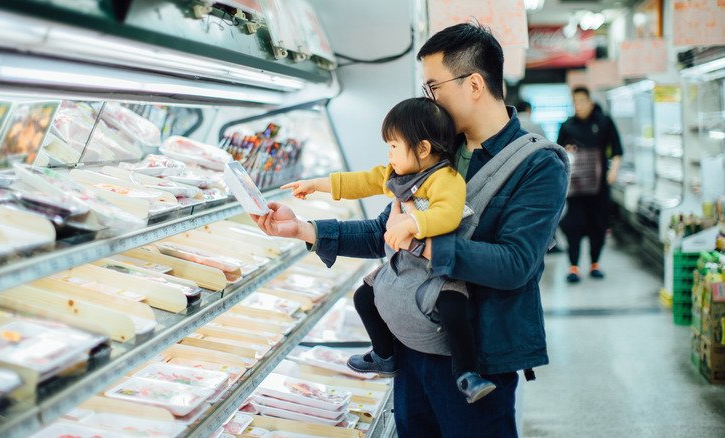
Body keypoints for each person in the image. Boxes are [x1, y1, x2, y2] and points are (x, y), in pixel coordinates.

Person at [252, 23, 568, 437]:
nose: (429, 99)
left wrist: (420, 239)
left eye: (434, 87)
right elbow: (383, 231)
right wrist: (303, 229)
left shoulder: (539, 164)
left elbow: (516, 264)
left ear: (474, 84)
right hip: (410, 343)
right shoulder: (436, 150)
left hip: (476, 359)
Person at [281, 97, 496, 403]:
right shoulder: (399, 176)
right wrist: (317, 184)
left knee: (453, 308)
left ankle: (467, 373)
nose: (389, 153)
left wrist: (411, 225)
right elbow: (363, 181)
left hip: (439, 269)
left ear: (422, 148)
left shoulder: (445, 179)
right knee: (364, 297)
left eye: (394, 146)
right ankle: (384, 355)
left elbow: (447, 215)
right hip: (406, 266)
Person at [557, 86, 623, 283]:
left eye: (581, 102)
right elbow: (559, 152)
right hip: (576, 188)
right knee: (573, 225)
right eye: (575, 103)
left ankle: (595, 263)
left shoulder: (604, 122)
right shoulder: (568, 125)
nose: (578, 106)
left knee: (598, 224)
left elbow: (618, 149)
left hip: (600, 187)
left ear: (590, 102)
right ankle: (574, 266)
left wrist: (614, 171)